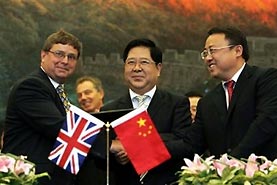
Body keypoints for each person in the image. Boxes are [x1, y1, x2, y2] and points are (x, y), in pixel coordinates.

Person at [97, 38, 192, 185]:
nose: (136, 68)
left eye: (144, 62)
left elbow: (184, 144)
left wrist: (134, 146)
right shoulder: (109, 110)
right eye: (131, 62)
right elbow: (103, 158)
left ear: (158, 68)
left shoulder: (177, 104)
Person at [186, 26, 277, 160]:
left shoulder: (267, 80)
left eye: (212, 51)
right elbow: (190, 146)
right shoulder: (207, 102)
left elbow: (265, 124)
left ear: (237, 50)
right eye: (205, 53)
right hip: (223, 178)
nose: (207, 58)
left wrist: (230, 162)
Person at [2, 29, 82, 185]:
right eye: (59, 54)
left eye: (71, 57)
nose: (65, 61)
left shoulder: (59, 92)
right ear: (43, 55)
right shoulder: (31, 86)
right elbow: (60, 128)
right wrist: (110, 143)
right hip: (29, 179)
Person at [75, 76, 106, 185]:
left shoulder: (117, 118)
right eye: (79, 95)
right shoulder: (76, 125)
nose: (83, 98)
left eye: (87, 92)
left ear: (101, 93)